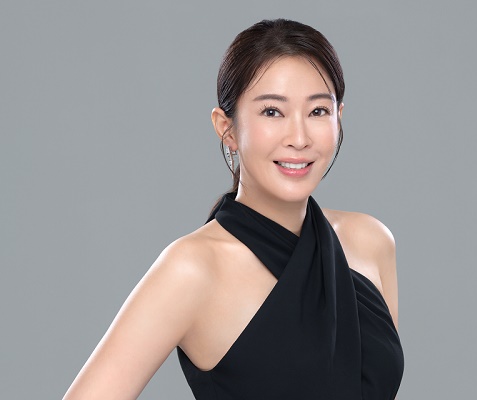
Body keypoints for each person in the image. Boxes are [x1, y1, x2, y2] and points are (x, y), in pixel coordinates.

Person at [64, 19, 404, 400]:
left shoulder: (370, 241)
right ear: (226, 128)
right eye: (272, 112)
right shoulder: (192, 268)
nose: (299, 138)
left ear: (339, 117)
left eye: (318, 111)